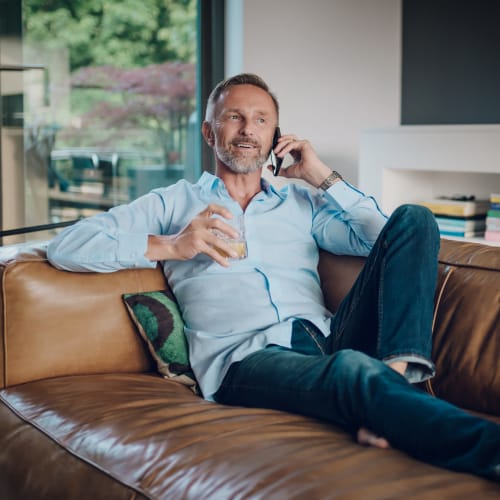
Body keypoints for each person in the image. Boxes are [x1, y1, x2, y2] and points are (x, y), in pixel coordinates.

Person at [47, 73, 499, 482]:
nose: (248, 130)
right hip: (245, 359)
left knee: (416, 217)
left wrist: (320, 175)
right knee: (351, 370)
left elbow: (388, 239)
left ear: (275, 137)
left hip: (329, 338)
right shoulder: (172, 204)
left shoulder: (301, 204)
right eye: (235, 118)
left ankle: (394, 384)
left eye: (262, 121)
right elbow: (65, 247)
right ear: (210, 132)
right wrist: (170, 246)